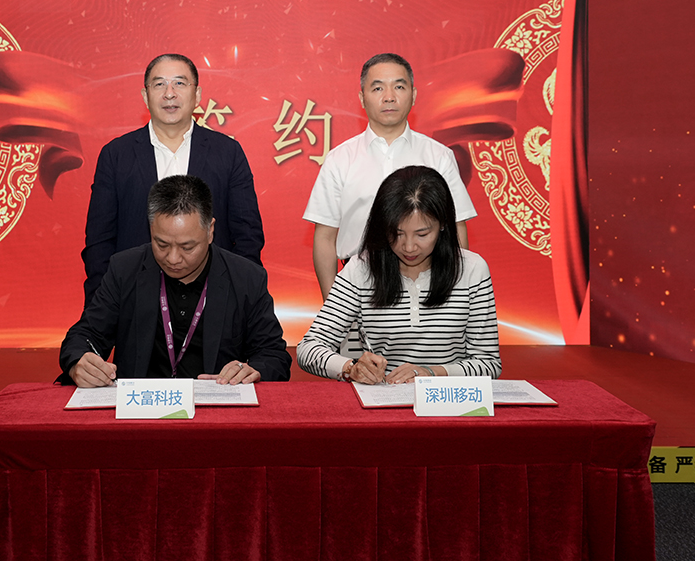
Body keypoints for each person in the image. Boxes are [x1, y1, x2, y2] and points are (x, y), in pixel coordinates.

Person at [60, 175, 290, 386]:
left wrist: (250, 370)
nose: (172, 258)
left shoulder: (246, 278)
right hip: (142, 407)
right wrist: (79, 362)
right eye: (161, 244)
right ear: (151, 228)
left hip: (215, 408)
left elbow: (274, 356)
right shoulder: (125, 269)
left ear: (210, 231)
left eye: (187, 247)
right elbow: (84, 336)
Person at [81, 53, 264, 305]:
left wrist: (239, 300)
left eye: (179, 83)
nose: (169, 93)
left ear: (197, 95)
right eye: (159, 84)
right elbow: (99, 240)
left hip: (212, 299)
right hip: (135, 299)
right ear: (145, 96)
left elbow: (247, 235)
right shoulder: (116, 155)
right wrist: (103, 305)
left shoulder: (227, 152)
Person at [296, 166, 500, 383]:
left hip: (450, 397)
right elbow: (308, 348)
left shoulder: (472, 270)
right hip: (385, 395)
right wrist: (350, 368)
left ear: (443, 225)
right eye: (397, 234)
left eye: (422, 234)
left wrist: (432, 373)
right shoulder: (361, 269)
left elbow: (489, 364)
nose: (409, 247)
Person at [304, 52, 478, 302]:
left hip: (429, 285)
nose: (389, 96)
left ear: (413, 95)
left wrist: (453, 297)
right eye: (377, 88)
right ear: (362, 98)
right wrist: (334, 306)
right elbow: (325, 237)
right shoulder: (339, 159)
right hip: (358, 285)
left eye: (399, 86)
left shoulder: (439, 156)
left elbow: (456, 227)